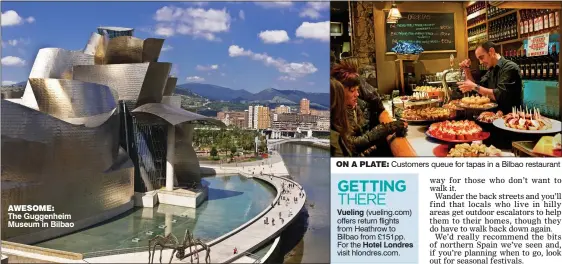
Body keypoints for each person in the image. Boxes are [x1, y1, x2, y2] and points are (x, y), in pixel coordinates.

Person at [331, 60, 407, 157]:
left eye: (357, 90)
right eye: (352, 91)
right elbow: (351, 145)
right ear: (339, 92)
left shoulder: (354, 107)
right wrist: (387, 128)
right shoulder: (335, 113)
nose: (357, 94)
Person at [457, 40, 523, 114]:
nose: (480, 62)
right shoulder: (491, 69)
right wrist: (466, 69)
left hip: (509, 120)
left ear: (491, 51)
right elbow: (479, 89)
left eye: (481, 58)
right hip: (492, 117)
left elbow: (500, 95)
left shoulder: (510, 67)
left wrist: (474, 87)